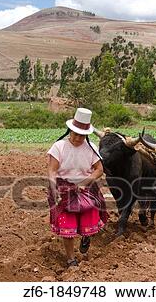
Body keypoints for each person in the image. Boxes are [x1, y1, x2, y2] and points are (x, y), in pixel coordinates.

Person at [47, 107, 107, 268]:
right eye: (75, 134)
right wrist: (54, 189)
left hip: (86, 189)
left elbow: (99, 169)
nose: (78, 138)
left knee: (88, 223)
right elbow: (52, 171)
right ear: (70, 131)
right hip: (64, 190)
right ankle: (71, 259)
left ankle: (86, 237)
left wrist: (84, 183)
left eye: (82, 135)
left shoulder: (91, 148)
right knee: (67, 227)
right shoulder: (59, 147)